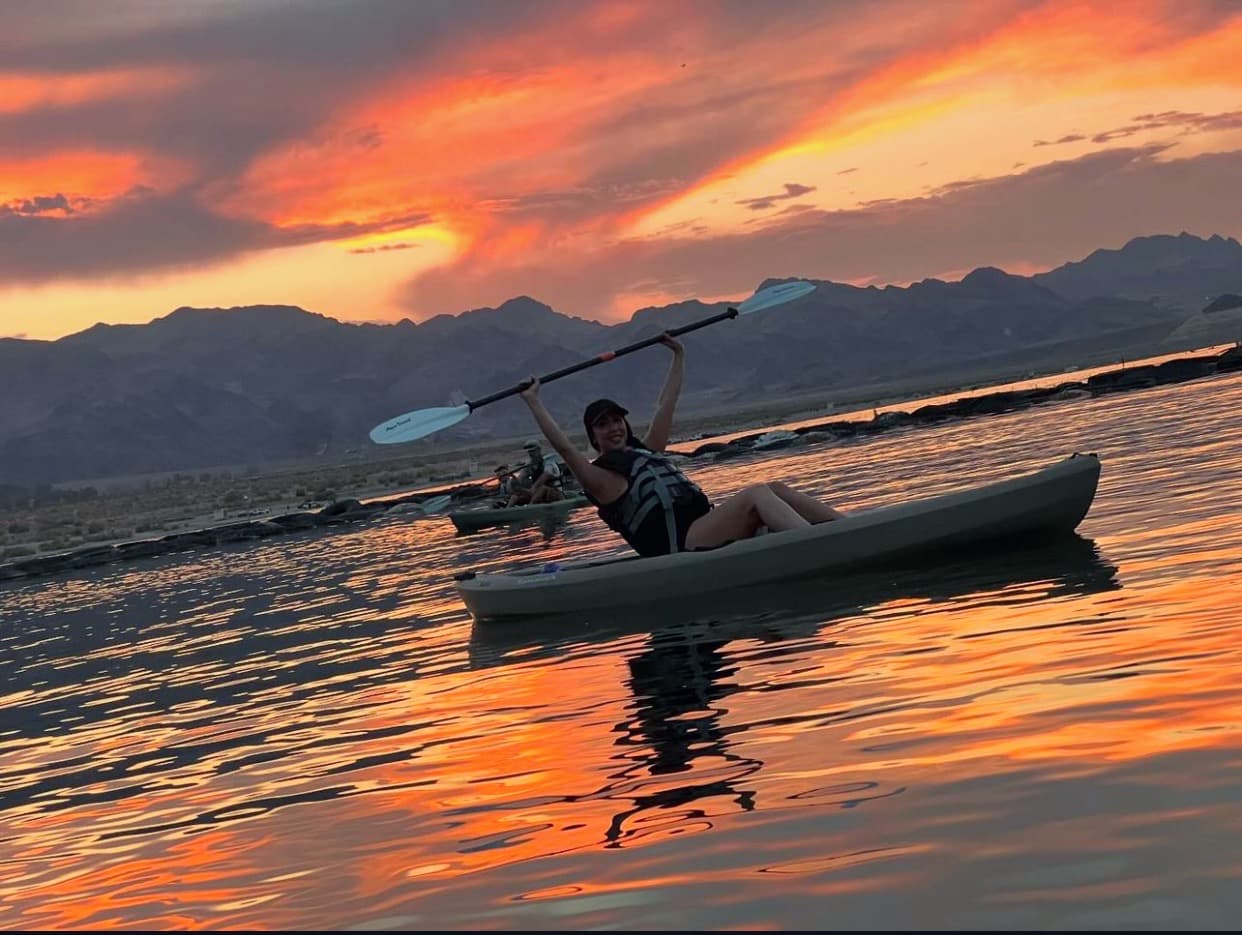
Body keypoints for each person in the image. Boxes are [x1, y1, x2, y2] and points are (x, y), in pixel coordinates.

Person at [517, 333, 844, 557]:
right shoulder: (600, 479)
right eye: (603, 424)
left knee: (774, 487)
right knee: (757, 493)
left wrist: (679, 354)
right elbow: (565, 450)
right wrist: (534, 402)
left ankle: (845, 529)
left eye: (617, 420)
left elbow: (665, 405)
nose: (614, 427)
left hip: (702, 528)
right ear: (593, 436)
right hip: (681, 544)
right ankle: (820, 548)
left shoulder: (646, 452)